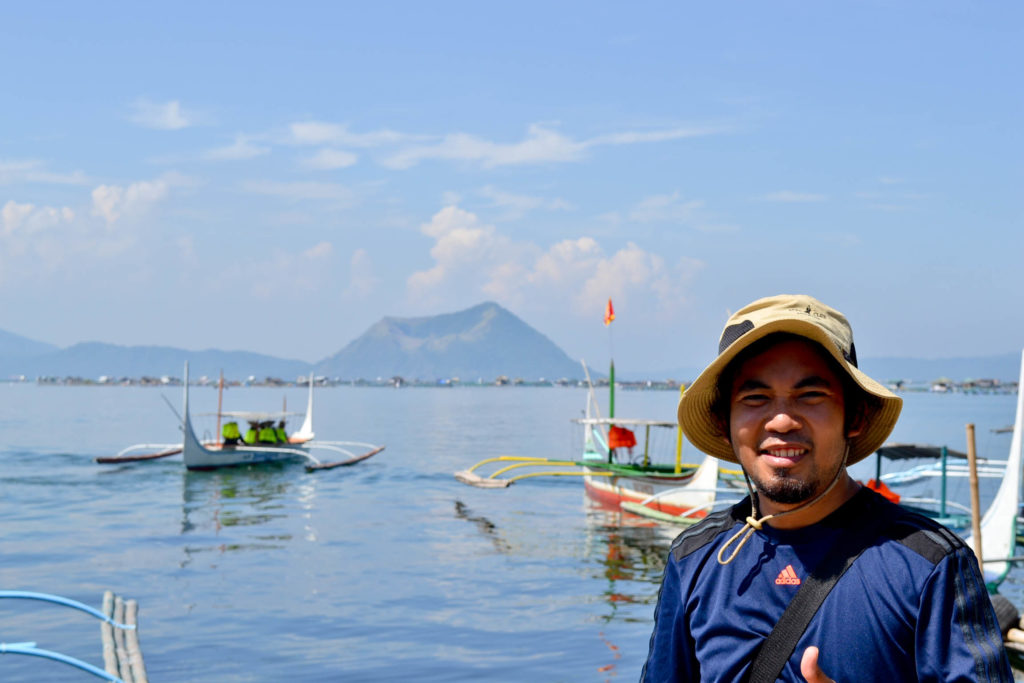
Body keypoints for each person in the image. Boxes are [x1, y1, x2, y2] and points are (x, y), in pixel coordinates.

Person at [641, 294, 1011, 682]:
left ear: (856, 415)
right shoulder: (695, 559)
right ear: (724, 422)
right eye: (755, 398)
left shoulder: (929, 565)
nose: (781, 421)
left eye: (811, 395)